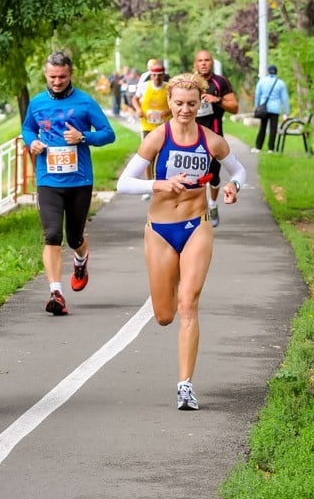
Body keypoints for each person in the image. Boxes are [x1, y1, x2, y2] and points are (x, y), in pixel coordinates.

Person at [116, 72, 247, 411]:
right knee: (164, 315)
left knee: (188, 303)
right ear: (169, 103)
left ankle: (185, 386)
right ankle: (170, 282)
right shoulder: (158, 137)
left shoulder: (212, 141)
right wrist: (157, 185)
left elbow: (239, 170)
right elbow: (124, 183)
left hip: (196, 226)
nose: (185, 110)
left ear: (201, 103)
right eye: (178, 103)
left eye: (191, 104)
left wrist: (233, 187)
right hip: (160, 229)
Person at [22, 51, 115, 316]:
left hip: (79, 180)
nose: (57, 81)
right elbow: (27, 128)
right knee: (52, 234)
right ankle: (56, 293)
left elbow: (108, 134)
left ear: (70, 74)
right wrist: (33, 142)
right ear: (45, 74)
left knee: (74, 238)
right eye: (52, 77)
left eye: (62, 76)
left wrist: (83, 136)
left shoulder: (85, 102)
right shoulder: (37, 102)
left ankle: (80, 260)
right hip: (48, 179)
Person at [193, 49, 239, 227]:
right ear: (195, 64)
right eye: (200, 60)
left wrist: (217, 100)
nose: (204, 63)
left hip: (214, 135)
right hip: (192, 136)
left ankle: (212, 205)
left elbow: (234, 107)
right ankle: (196, 210)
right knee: (193, 174)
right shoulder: (190, 82)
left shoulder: (220, 82)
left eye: (207, 60)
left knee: (213, 176)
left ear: (212, 63)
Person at [252, 64, 290, 154]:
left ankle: (258, 147)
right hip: (275, 109)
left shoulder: (262, 81)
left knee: (262, 128)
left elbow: (257, 95)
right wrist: (286, 112)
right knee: (273, 129)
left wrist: (257, 106)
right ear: (276, 72)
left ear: (268, 71)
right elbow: (285, 98)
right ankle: (271, 149)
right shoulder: (281, 83)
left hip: (263, 109)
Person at [132, 62, 171, 137]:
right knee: (147, 147)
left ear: (163, 75)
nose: (157, 77)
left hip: (164, 126)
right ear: (151, 76)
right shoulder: (144, 86)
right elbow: (135, 99)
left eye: (159, 75)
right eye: (154, 75)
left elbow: (176, 103)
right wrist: (138, 110)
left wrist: (169, 111)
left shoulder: (169, 88)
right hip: (147, 125)